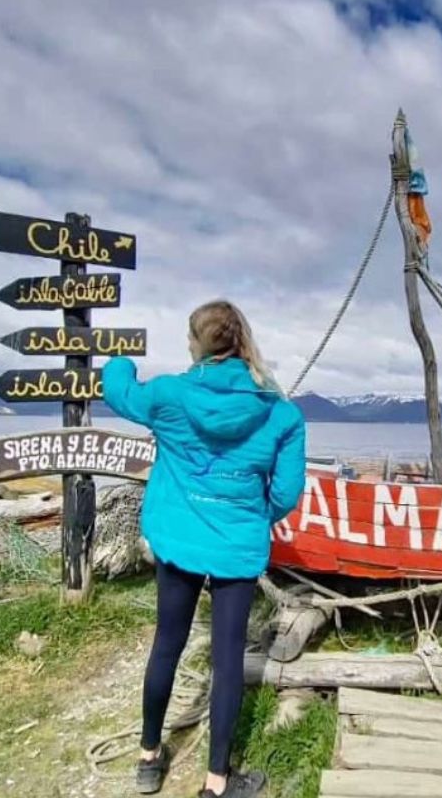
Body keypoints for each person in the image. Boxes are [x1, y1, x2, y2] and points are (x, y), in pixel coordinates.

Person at [102, 299, 306, 798]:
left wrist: (120, 359)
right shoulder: (281, 414)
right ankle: (217, 782)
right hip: (236, 546)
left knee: (166, 645)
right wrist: (249, 514)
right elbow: (285, 493)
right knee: (228, 659)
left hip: (177, 539)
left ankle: (150, 758)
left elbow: (118, 390)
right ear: (243, 342)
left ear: (196, 344)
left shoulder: (169, 395)